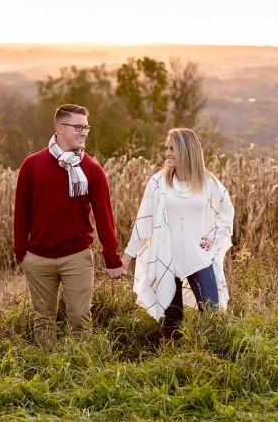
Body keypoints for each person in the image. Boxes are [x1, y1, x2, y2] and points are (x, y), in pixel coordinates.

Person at [13, 103, 125, 347]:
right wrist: (22, 253)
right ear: (60, 128)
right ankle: (46, 367)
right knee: (43, 321)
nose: (84, 132)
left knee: (80, 320)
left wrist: (112, 258)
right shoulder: (32, 165)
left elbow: (104, 217)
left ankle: (81, 368)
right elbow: (21, 211)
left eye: (86, 128)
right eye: (78, 127)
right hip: (38, 257)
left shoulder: (92, 170)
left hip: (77, 257)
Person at [121, 127, 234, 340]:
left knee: (210, 312)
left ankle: (206, 353)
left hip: (199, 258)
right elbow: (143, 221)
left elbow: (227, 210)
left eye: (172, 149)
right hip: (167, 258)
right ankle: (171, 354)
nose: (167, 154)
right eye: (166, 148)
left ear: (186, 149)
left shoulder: (207, 182)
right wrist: (126, 258)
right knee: (173, 316)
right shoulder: (158, 183)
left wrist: (213, 235)